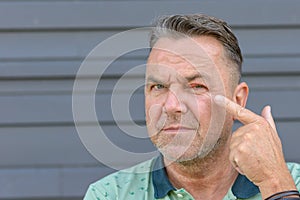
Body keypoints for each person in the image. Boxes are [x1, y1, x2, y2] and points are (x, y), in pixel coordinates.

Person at [84, 14, 300, 200]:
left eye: (197, 86)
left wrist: (274, 183)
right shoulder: (110, 194)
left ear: (238, 99)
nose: (171, 106)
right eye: (158, 86)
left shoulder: (292, 183)